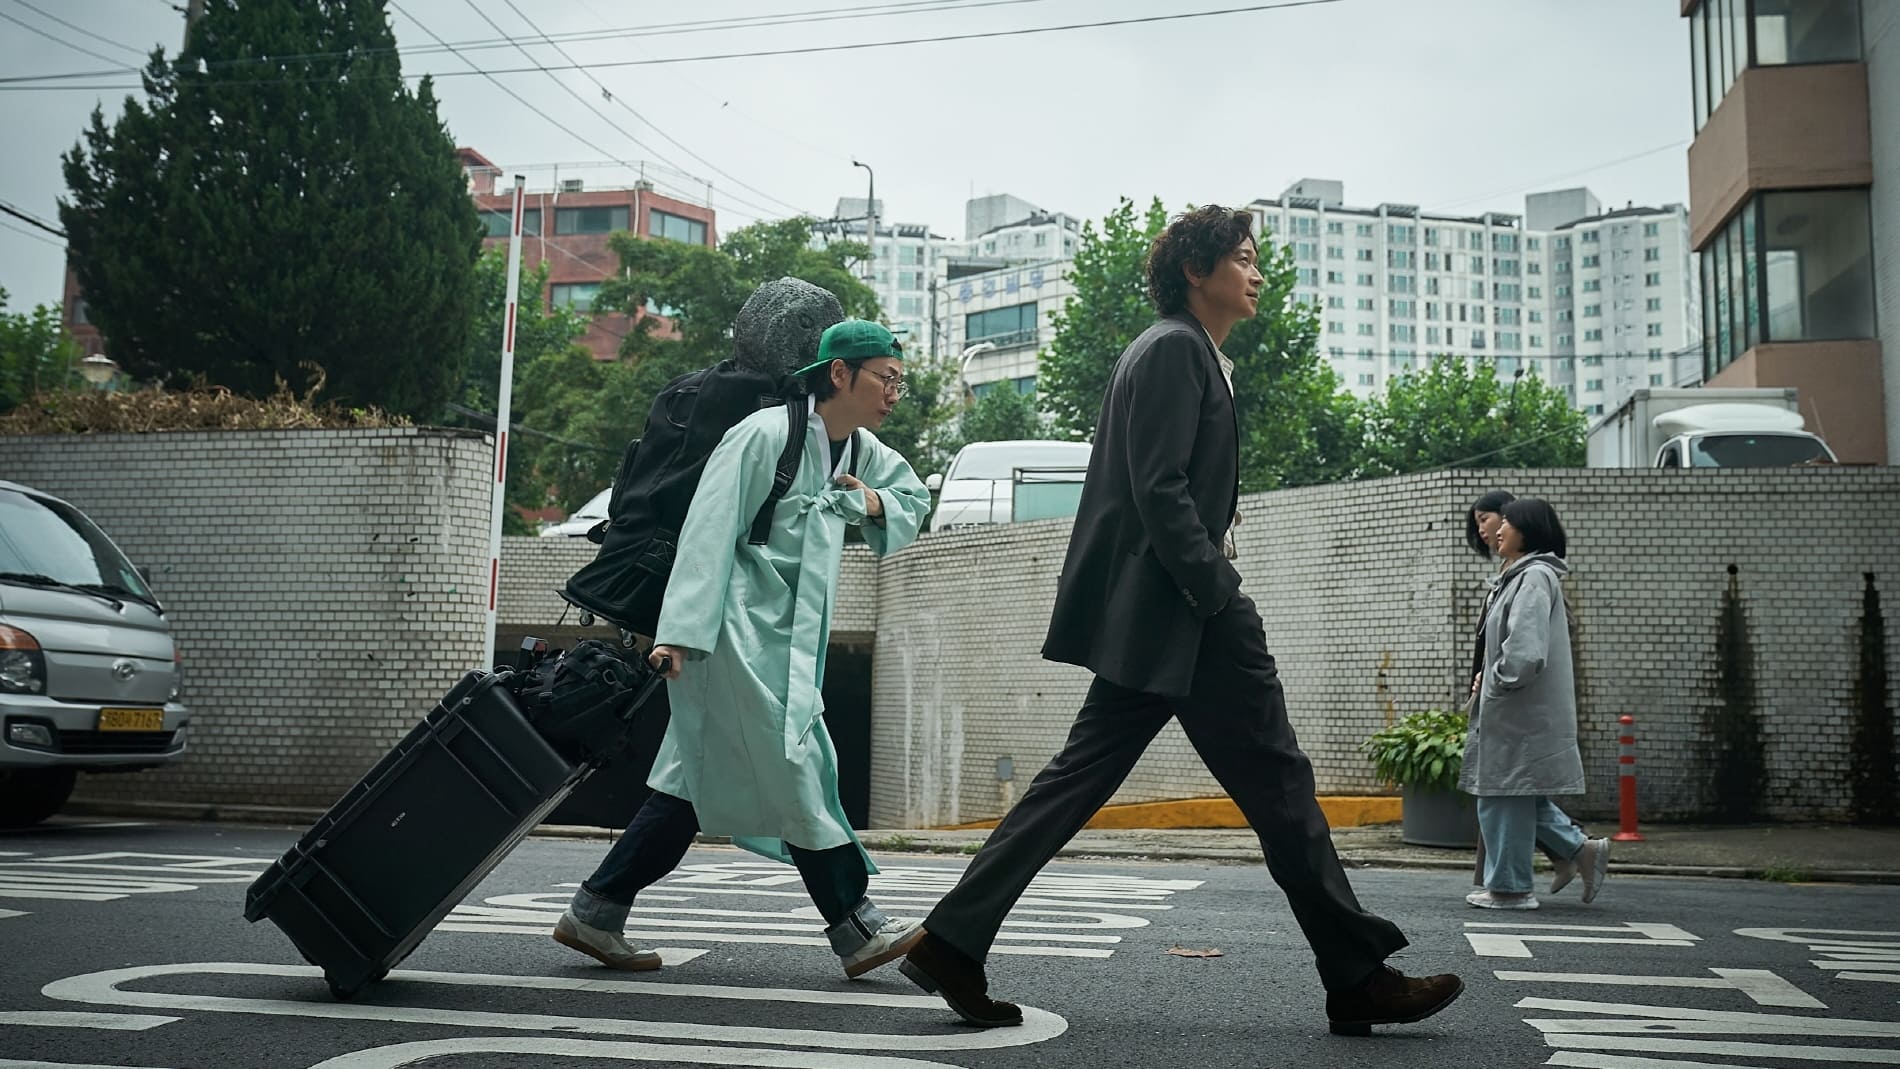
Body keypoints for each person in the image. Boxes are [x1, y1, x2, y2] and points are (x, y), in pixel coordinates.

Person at [898, 205, 1464, 1036]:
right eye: (1242, 257)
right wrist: (1218, 589)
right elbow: (1158, 486)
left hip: (1165, 618)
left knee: (1087, 784)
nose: (1258, 272)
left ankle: (952, 940)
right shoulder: (1171, 349)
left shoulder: (1185, 351)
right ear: (1197, 272)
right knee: (1278, 787)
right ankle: (1358, 975)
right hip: (1192, 614)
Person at [552, 319, 934, 979]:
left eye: (898, 381)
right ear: (839, 373)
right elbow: (709, 530)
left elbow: (911, 499)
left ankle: (597, 908)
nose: (894, 393)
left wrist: (872, 501)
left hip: (787, 647)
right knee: (798, 767)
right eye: (886, 378)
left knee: (689, 785)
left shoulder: (860, 450)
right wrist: (679, 633)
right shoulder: (763, 436)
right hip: (730, 637)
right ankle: (855, 924)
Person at [1459, 497, 1610, 910]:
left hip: (1517, 712)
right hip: (1513, 709)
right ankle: (1581, 851)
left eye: (1507, 521)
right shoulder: (1520, 576)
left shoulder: (1534, 576)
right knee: (1513, 793)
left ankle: (1511, 888)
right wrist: (1489, 675)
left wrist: (1496, 680)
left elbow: (1524, 653)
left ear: (1529, 530)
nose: (1498, 528)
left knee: (1501, 795)